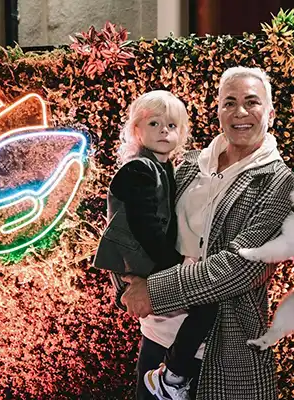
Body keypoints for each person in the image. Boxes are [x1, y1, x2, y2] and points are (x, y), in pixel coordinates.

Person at [121, 66, 294, 400]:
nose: (240, 112)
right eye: (229, 103)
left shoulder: (281, 183)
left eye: (251, 102)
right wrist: (127, 282)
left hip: (225, 346)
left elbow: (242, 266)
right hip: (157, 335)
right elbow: (142, 227)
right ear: (218, 112)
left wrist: (153, 291)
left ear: (271, 113)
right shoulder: (189, 164)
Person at [93, 90, 217, 399]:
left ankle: (173, 373)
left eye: (172, 125)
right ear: (136, 130)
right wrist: (174, 269)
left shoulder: (165, 168)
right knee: (206, 302)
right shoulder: (139, 169)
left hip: (146, 262)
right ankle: (172, 376)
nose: (164, 131)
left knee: (204, 305)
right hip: (139, 261)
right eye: (154, 124)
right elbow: (145, 227)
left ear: (181, 133)